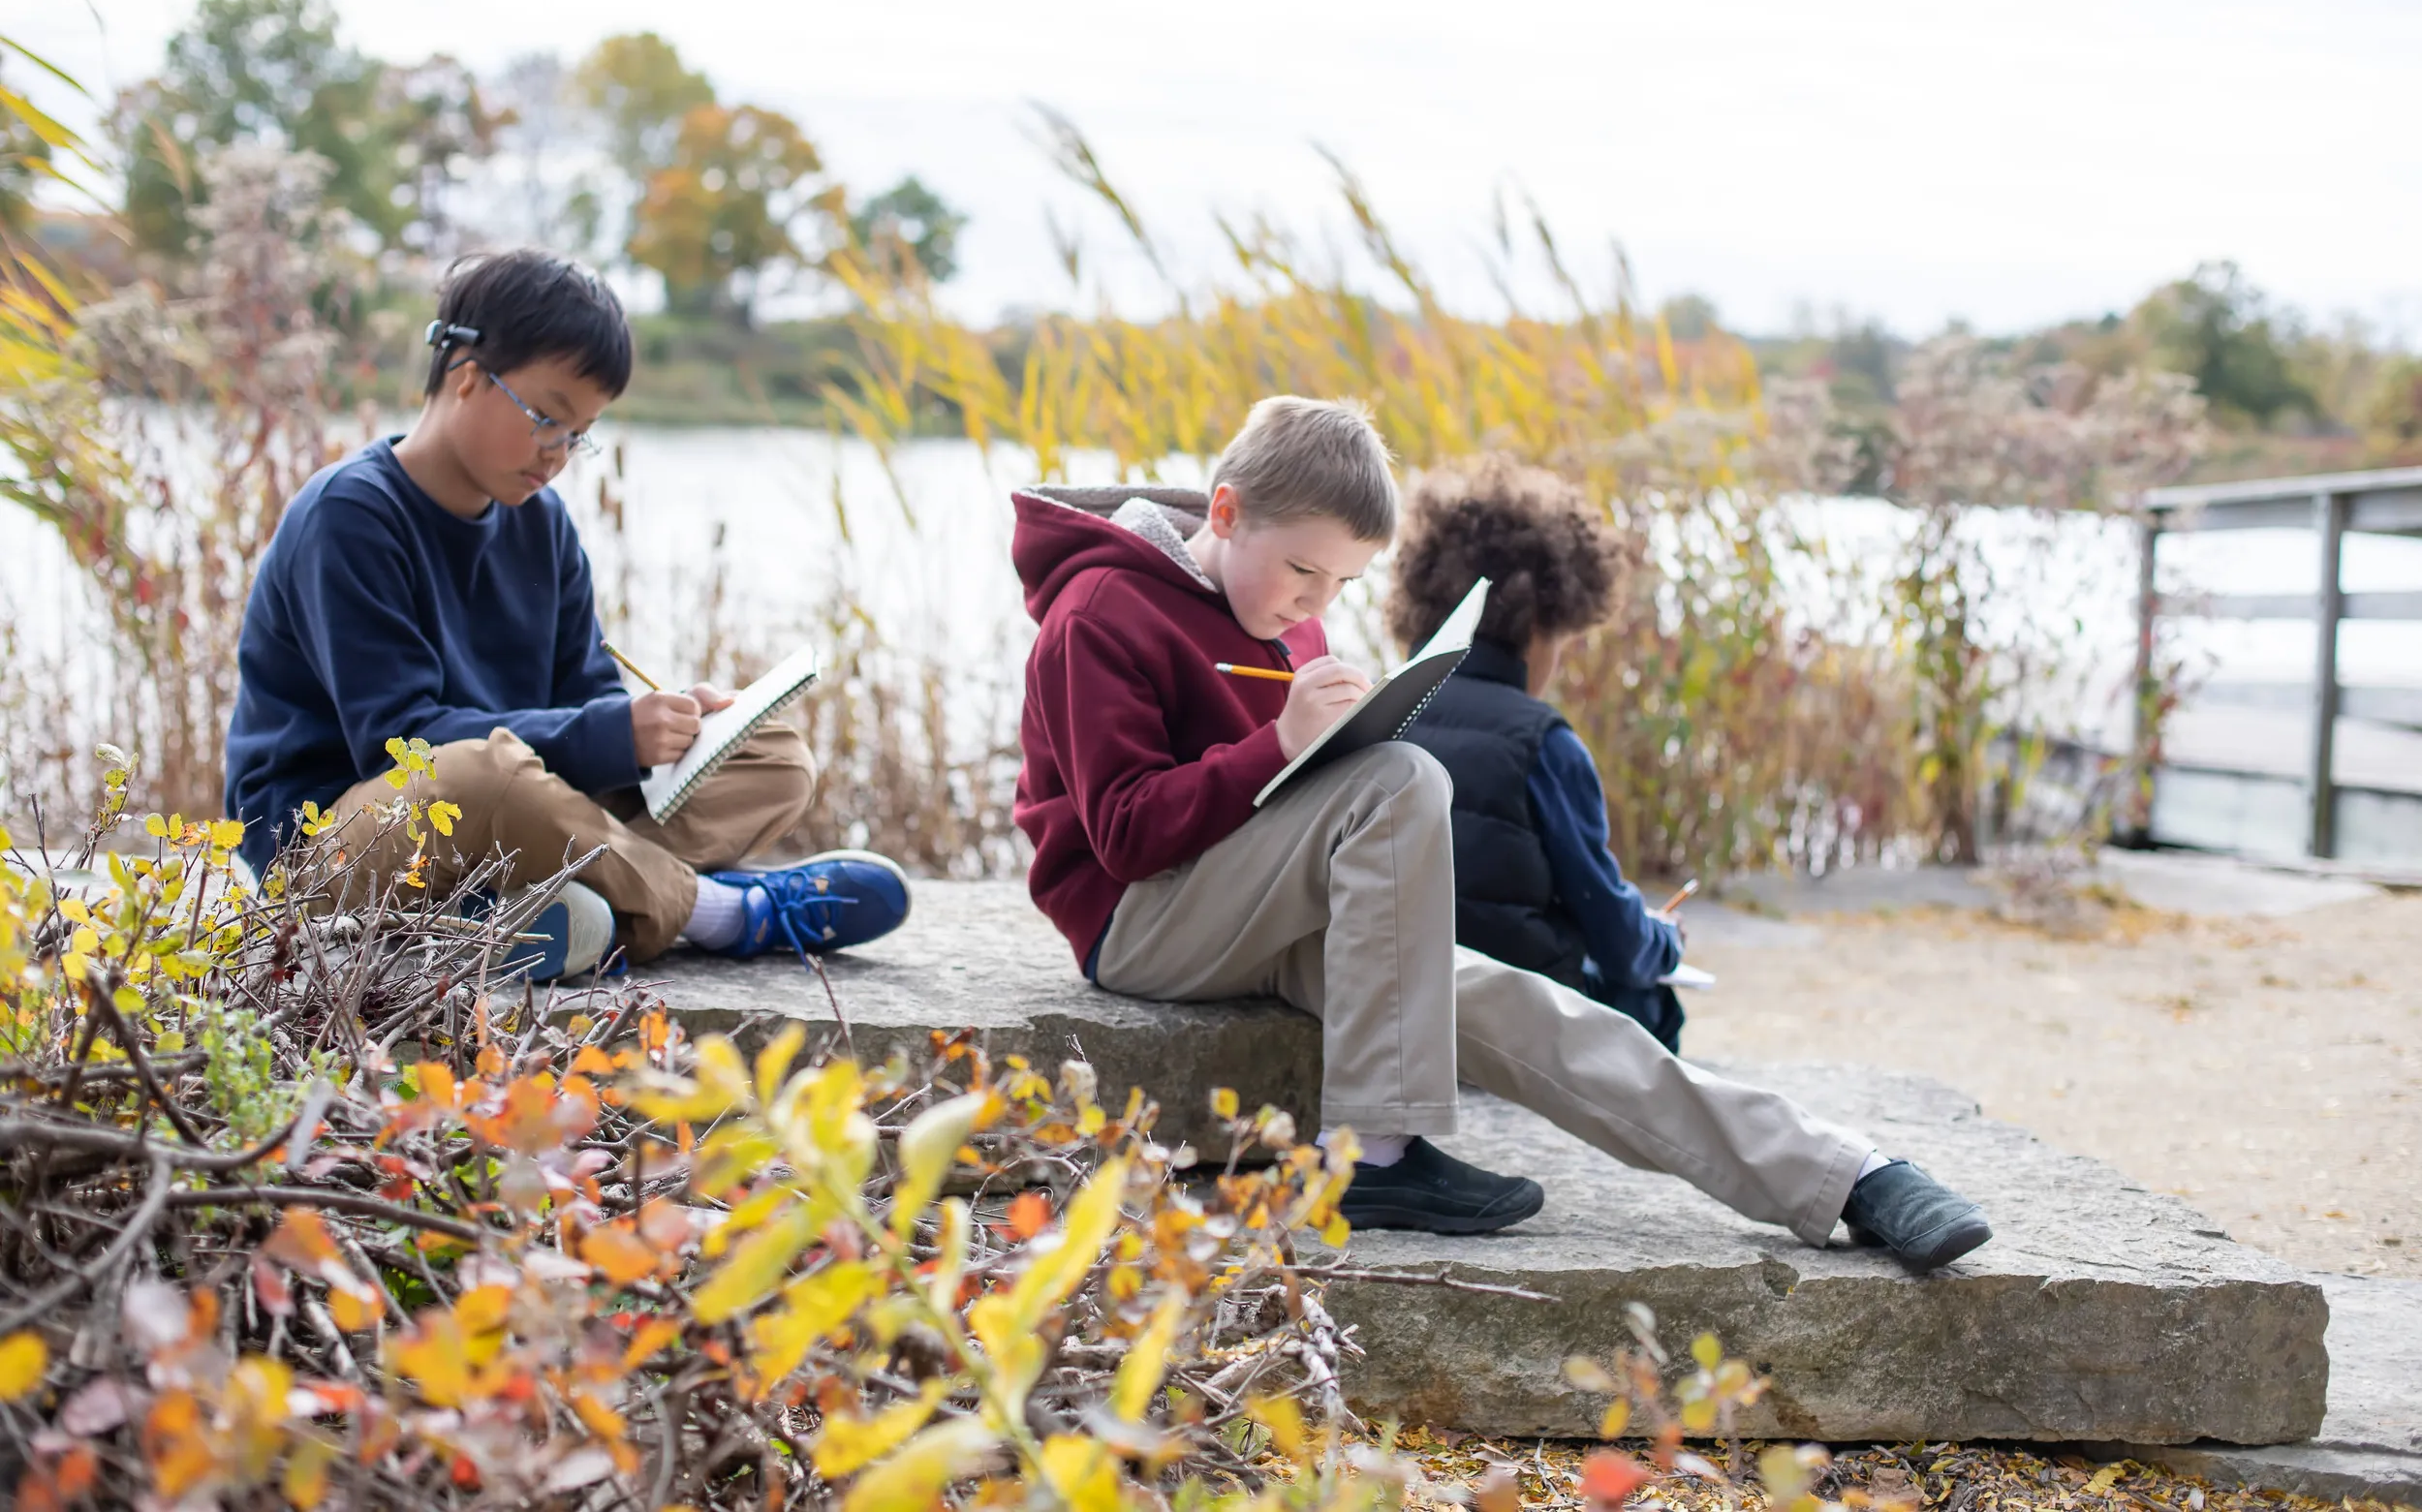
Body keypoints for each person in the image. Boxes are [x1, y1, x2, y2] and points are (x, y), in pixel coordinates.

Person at [1010, 395, 1991, 1273]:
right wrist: (1281, 745)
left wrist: (1329, 736)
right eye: (1304, 571)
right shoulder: (1100, 611)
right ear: (1223, 513)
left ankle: (1841, 1173)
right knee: (1400, 777)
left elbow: (1285, 794)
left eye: (1344, 584)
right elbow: (1127, 835)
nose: (1314, 605)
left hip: (1259, 904)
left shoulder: (1283, 613)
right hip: (1140, 924)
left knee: (1516, 1005)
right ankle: (1376, 1156)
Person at [224, 249, 909, 975]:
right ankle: (722, 912)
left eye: (579, 433)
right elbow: (402, 741)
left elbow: (585, 701)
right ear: (465, 378)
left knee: (773, 755)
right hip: (338, 849)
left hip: (516, 814)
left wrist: (668, 729)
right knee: (483, 775)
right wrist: (605, 734)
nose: (558, 454)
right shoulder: (351, 516)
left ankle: (529, 913)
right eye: (546, 418)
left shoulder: (541, 523)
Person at [1390, 458, 1686, 1052]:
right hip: (1520, 1012)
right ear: (1536, 627)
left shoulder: (1378, 709)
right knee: (1653, 1003)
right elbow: (1613, 934)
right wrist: (1664, 940)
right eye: (1564, 641)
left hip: (1399, 1002)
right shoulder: (1541, 741)